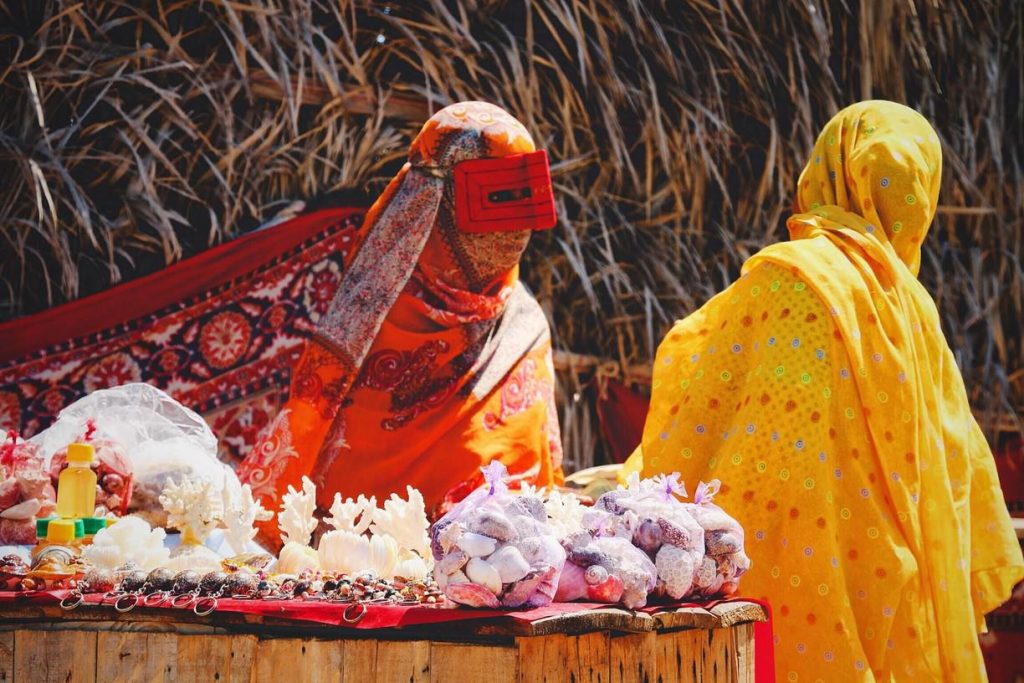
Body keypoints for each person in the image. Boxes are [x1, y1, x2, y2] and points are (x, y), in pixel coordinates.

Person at [623, 100, 1023, 680]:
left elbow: (706, 393)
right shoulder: (914, 311)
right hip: (891, 581)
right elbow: (955, 466)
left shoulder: (788, 279)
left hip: (773, 573)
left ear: (827, 170)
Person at [239, 102, 563, 531]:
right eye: (493, 209)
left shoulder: (523, 326)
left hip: (500, 571)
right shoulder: (364, 321)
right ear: (433, 207)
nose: (511, 238)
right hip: (350, 569)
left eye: (520, 211)